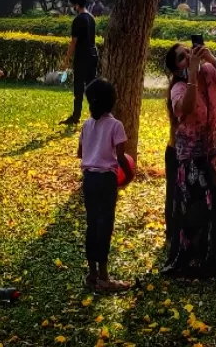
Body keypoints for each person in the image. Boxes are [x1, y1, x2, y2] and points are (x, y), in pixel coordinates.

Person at [162, 42, 216, 279]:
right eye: (182, 58)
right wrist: (192, 72)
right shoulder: (178, 87)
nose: (188, 57)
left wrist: (211, 58)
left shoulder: (209, 71)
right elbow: (184, 108)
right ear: (175, 70)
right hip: (193, 158)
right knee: (195, 209)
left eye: (189, 52)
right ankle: (192, 259)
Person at [77, 78, 133, 293]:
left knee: (92, 225)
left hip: (89, 179)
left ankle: (92, 273)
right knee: (105, 225)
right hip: (106, 181)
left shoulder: (87, 124)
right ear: (113, 101)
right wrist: (128, 176)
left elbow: (80, 153)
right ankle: (104, 277)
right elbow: (120, 158)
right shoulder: (115, 125)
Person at [62, 0, 99, 127]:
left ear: (77, 5)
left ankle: (76, 115)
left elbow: (73, 42)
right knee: (91, 87)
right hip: (93, 55)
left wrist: (66, 60)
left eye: (73, 5)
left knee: (78, 88)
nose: (72, 8)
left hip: (82, 56)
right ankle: (95, 116)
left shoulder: (78, 20)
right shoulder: (91, 18)